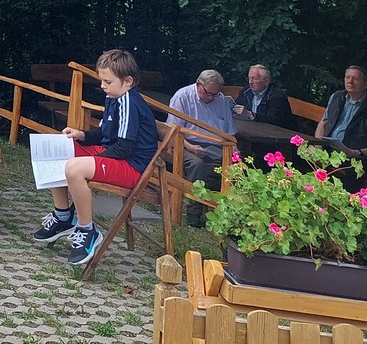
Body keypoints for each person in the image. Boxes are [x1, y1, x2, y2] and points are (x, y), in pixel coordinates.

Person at [31, 48, 160, 267]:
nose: (102, 86)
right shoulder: (114, 97)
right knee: (55, 149)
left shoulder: (130, 102)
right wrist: (81, 135)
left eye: (108, 82)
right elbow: (103, 134)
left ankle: (87, 230)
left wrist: (95, 160)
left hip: (132, 167)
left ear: (128, 81)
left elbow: (125, 147)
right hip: (114, 155)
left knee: (74, 168)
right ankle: (63, 217)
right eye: (101, 80)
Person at [168, 69, 236, 227]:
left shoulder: (221, 100)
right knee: (197, 164)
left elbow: (230, 133)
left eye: (215, 94)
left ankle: (231, 216)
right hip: (184, 143)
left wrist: (235, 151)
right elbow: (172, 132)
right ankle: (194, 213)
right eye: (208, 93)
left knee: (238, 167)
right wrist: (191, 147)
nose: (211, 97)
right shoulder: (182, 97)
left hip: (215, 145)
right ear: (198, 84)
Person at [314, 64, 367, 186]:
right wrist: (318, 147)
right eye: (347, 77)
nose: (350, 81)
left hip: (356, 157)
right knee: (301, 156)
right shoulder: (337, 97)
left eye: (355, 79)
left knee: (350, 174)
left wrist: (356, 152)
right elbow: (323, 123)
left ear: (366, 84)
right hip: (328, 149)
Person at [232, 63, 296, 129]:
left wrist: (250, 115)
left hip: (276, 132)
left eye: (254, 79)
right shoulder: (246, 92)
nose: (250, 82)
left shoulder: (277, 96)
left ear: (266, 81)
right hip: (252, 129)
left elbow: (272, 120)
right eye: (249, 79)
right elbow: (236, 105)